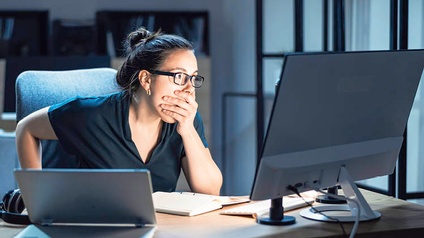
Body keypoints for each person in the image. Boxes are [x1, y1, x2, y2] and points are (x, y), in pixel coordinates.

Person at [15, 27, 223, 195]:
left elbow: (211, 190)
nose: (188, 89)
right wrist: (34, 195)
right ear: (146, 79)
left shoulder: (185, 121)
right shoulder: (91, 115)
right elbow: (26, 128)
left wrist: (188, 131)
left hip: (159, 230)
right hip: (95, 226)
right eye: (179, 76)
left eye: (193, 78)